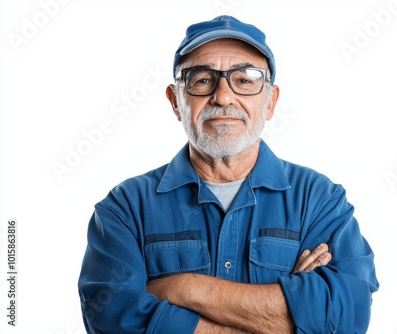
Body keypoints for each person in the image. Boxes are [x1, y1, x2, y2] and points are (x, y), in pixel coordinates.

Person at [78, 15, 379, 333]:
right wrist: (292, 314)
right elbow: (113, 320)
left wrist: (183, 288)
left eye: (245, 79)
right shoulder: (125, 209)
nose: (223, 97)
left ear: (271, 101)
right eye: (202, 79)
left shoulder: (320, 201)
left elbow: (347, 316)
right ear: (176, 102)